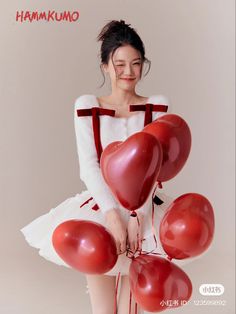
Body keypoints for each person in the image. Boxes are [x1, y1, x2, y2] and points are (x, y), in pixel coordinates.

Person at [20, 19, 191, 314]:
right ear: (105, 66)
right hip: (101, 213)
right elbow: (89, 167)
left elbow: (157, 167)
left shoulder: (158, 106)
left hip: (147, 215)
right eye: (120, 64)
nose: (128, 72)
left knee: (131, 309)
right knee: (103, 310)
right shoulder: (87, 106)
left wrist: (138, 215)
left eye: (136, 64)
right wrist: (114, 217)